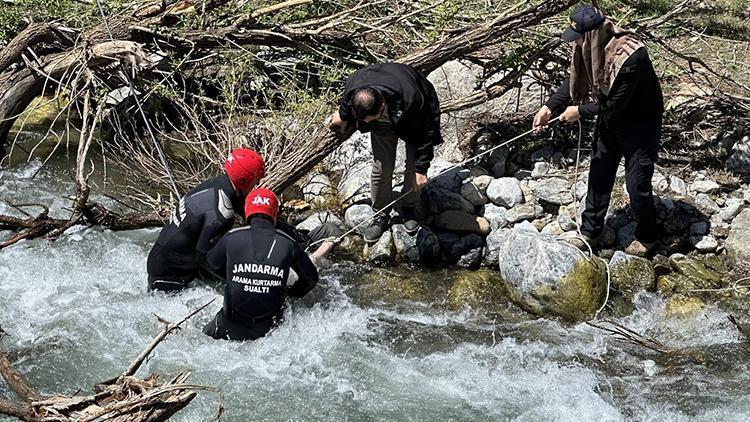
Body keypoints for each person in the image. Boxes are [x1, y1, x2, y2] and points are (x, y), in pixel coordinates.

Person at [532, 4, 664, 257]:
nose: (577, 42)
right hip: (610, 121)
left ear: (592, 34)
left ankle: (648, 237)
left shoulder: (631, 56)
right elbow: (572, 80)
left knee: (637, 184)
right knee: (600, 171)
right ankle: (591, 231)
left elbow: (616, 102)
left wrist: (578, 112)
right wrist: (550, 107)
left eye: (580, 37)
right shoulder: (588, 47)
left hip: (640, 124)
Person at [329, 62, 443, 243]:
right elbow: (346, 104)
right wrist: (343, 116)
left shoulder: (412, 97)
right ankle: (380, 214)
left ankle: (409, 207)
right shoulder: (353, 86)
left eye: (375, 116)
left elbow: (427, 131)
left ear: (381, 102)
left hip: (412, 118)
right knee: (381, 167)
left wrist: (421, 169)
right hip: (383, 121)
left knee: (414, 168)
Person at [202, 188, 329, 341]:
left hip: (230, 324)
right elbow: (311, 278)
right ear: (274, 215)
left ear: (247, 211)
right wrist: (293, 293)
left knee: (198, 337)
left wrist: (231, 278)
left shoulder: (231, 238)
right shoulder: (289, 244)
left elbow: (209, 263)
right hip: (269, 330)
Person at [147, 148, 265, 291]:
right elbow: (205, 258)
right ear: (244, 181)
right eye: (256, 182)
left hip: (161, 261)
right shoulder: (222, 212)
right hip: (171, 277)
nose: (256, 186)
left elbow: (245, 209)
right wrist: (242, 282)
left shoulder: (217, 184)